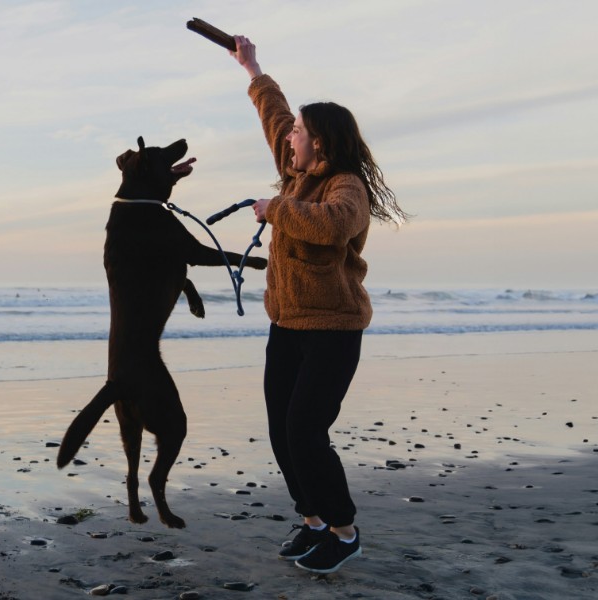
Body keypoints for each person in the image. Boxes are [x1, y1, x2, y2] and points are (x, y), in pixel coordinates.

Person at [230, 34, 409, 575]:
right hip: (287, 325)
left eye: (301, 135)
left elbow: (334, 226)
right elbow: (276, 117)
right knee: (282, 430)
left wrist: (276, 209)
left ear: (322, 144)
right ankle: (311, 520)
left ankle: (344, 530)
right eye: (292, 136)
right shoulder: (297, 174)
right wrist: (252, 67)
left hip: (333, 329)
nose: (290, 140)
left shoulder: (346, 186)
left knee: (307, 432)